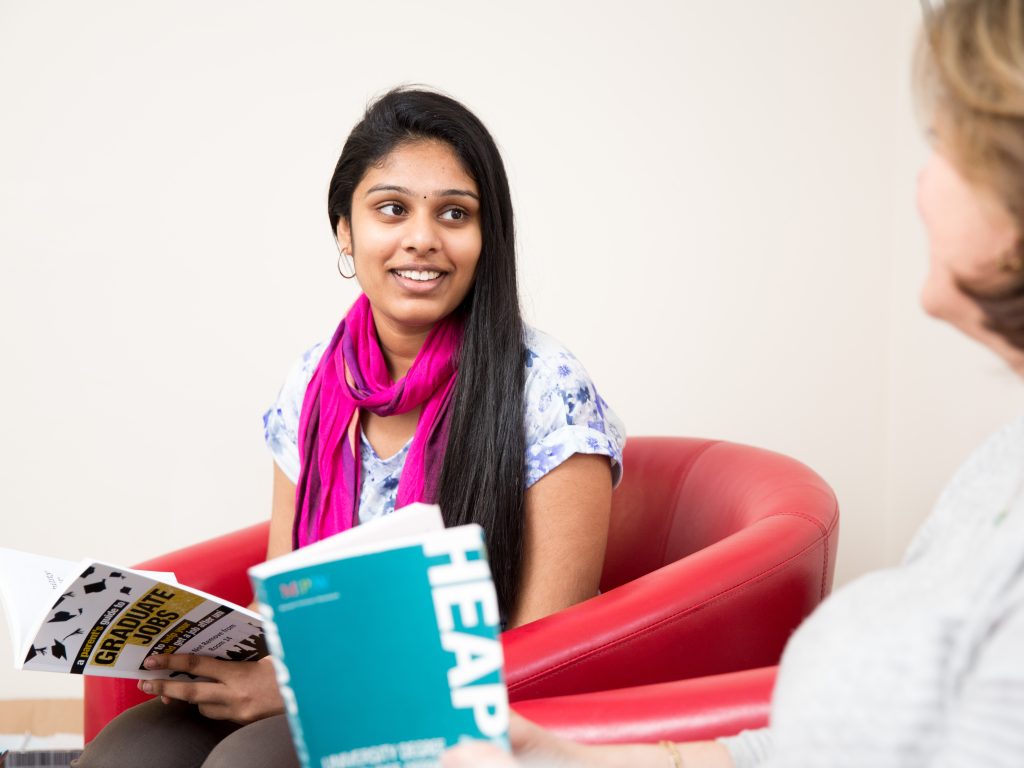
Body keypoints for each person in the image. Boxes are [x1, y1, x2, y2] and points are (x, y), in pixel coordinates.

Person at [443, 0, 1024, 766]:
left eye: (944, 146)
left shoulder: (540, 385)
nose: (920, 181)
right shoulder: (997, 470)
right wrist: (587, 761)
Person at [75, 88, 624, 768]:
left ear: (486, 239)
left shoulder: (545, 388)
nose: (422, 237)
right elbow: (285, 585)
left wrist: (307, 689)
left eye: (455, 213)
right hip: (325, 671)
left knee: (245, 762)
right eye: (392, 209)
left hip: (472, 710)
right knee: (127, 753)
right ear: (345, 230)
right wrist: (208, 650)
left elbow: (545, 648)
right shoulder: (313, 381)